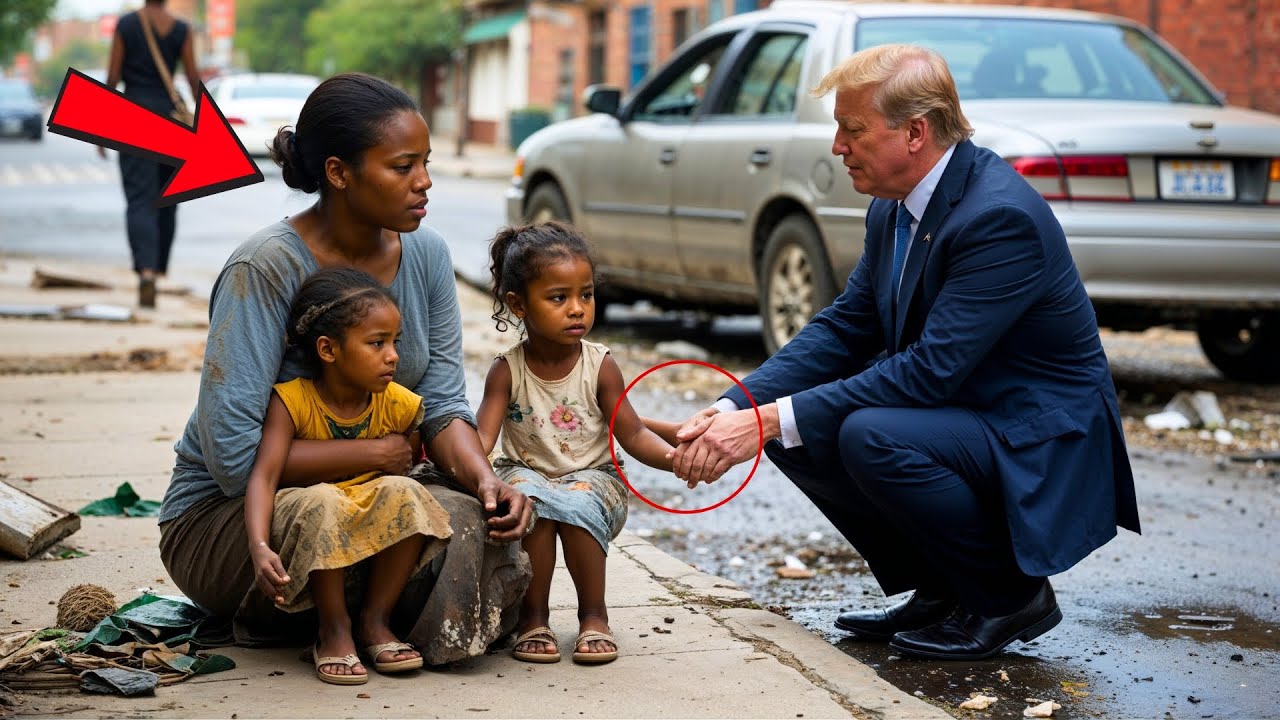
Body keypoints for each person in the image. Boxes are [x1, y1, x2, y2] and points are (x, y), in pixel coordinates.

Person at [668, 44, 1140, 660]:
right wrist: (736, 406)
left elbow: (929, 371)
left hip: (1039, 430)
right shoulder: (893, 205)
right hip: (967, 410)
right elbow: (846, 326)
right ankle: (945, 588)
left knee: (864, 433)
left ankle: (1008, 595)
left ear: (915, 133)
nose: (838, 146)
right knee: (796, 425)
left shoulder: (999, 218)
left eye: (853, 129)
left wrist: (765, 421)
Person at [158, 72, 534, 667]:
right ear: (338, 172)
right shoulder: (264, 267)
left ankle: (366, 619)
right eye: (403, 166)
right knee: (338, 520)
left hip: (374, 491)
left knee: (476, 521)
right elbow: (232, 457)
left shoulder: (428, 254)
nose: (424, 182)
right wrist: (372, 454)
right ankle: (335, 619)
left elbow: (440, 404)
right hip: (234, 516)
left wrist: (485, 480)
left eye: (425, 164)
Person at [476, 221, 677, 665]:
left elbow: (633, 432)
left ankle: (594, 615)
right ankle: (533, 618)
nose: (577, 310)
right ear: (518, 304)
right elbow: (481, 440)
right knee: (529, 502)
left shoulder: (600, 366)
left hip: (595, 477)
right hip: (525, 473)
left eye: (586, 295)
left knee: (578, 502)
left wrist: (674, 459)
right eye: (558, 298)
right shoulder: (506, 371)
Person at [245, 267, 453, 685]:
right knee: (326, 499)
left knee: (406, 490)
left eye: (395, 342)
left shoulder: (399, 405)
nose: (393, 356)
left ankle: (375, 621)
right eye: (377, 343)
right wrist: (259, 545)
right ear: (328, 349)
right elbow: (264, 476)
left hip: (364, 509)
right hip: (308, 510)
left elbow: (405, 466)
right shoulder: (292, 401)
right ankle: (333, 628)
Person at [98, 0, 201, 308]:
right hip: (170, 118)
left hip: (134, 117)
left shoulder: (126, 25)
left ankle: (145, 271)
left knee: (140, 200)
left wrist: (100, 126)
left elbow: (113, 77)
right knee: (167, 200)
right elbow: (193, 78)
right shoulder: (182, 29)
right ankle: (157, 268)